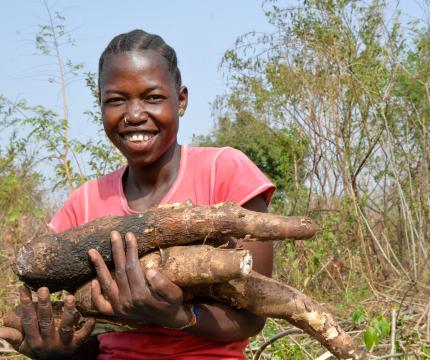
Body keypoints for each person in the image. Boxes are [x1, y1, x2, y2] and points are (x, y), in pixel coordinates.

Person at [0, 29, 275, 359]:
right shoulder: (83, 203)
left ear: (181, 99)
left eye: (153, 97)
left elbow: (252, 316)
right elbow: (90, 337)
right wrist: (59, 350)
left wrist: (178, 316)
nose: (133, 114)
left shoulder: (225, 171)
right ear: (100, 105)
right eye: (116, 100)